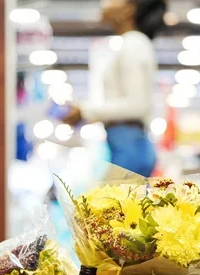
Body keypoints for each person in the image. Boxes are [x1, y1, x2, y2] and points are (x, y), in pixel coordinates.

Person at [63, 0, 166, 177]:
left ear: (129, 9)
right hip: (126, 144)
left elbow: (136, 105)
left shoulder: (133, 45)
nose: (105, 3)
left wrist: (85, 110)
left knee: (108, 203)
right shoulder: (130, 44)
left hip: (129, 147)